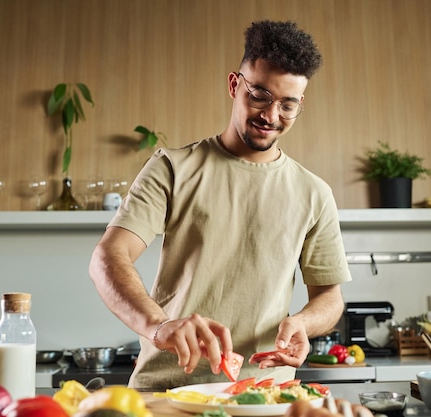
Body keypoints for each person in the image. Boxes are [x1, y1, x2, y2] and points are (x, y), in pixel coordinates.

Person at [89, 20, 352, 390]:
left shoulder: (314, 193)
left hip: (263, 396)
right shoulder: (172, 168)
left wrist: (303, 323)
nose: (271, 116)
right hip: (165, 390)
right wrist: (159, 326)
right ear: (234, 85)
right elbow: (108, 258)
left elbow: (329, 296)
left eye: (287, 105)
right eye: (259, 95)